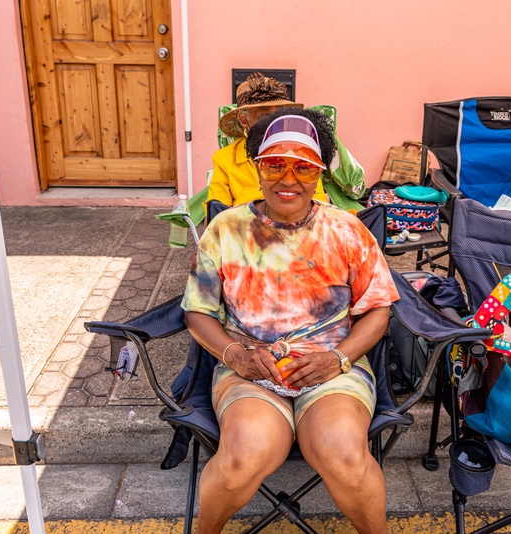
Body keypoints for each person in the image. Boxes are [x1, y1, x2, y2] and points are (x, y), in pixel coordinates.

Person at [183, 107, 398, 534]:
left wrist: (337, 359)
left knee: (346, 455)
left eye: (303, 167)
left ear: (319, 173)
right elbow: (197, 311)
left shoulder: (346, 229)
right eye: (274, 164)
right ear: (257, 168)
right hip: (250, 368)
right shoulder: (226, 229)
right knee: (241, 457)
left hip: (334, 368)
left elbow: (378, 309)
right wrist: (235, 355)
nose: (288, 178)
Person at [208, 72, 365, 209]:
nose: (274, 121)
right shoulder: (226, 159)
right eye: (264, 115)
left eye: (280, 114)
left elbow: (317, 204)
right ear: (244, 120)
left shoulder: (302, 150)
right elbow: (216, 215)